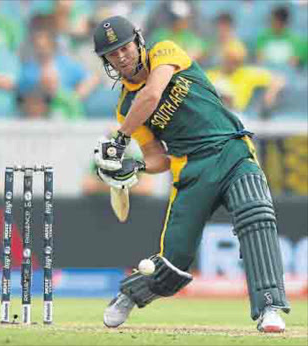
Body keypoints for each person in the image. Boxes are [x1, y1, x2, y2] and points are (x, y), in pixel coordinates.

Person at [91, 16, 290, 333]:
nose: (121, 57)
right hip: (191, 171)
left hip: (231, 151)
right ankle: (129, 294)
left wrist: (119, 141)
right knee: (173, 264)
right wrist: (137, 167)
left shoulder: (165, 52)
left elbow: (153, 94)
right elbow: (158, 158)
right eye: (112, 54)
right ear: (106, 61)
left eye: (124, 47)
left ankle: (269, 307)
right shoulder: (125, 107)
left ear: (138, 42)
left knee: (257, 216)